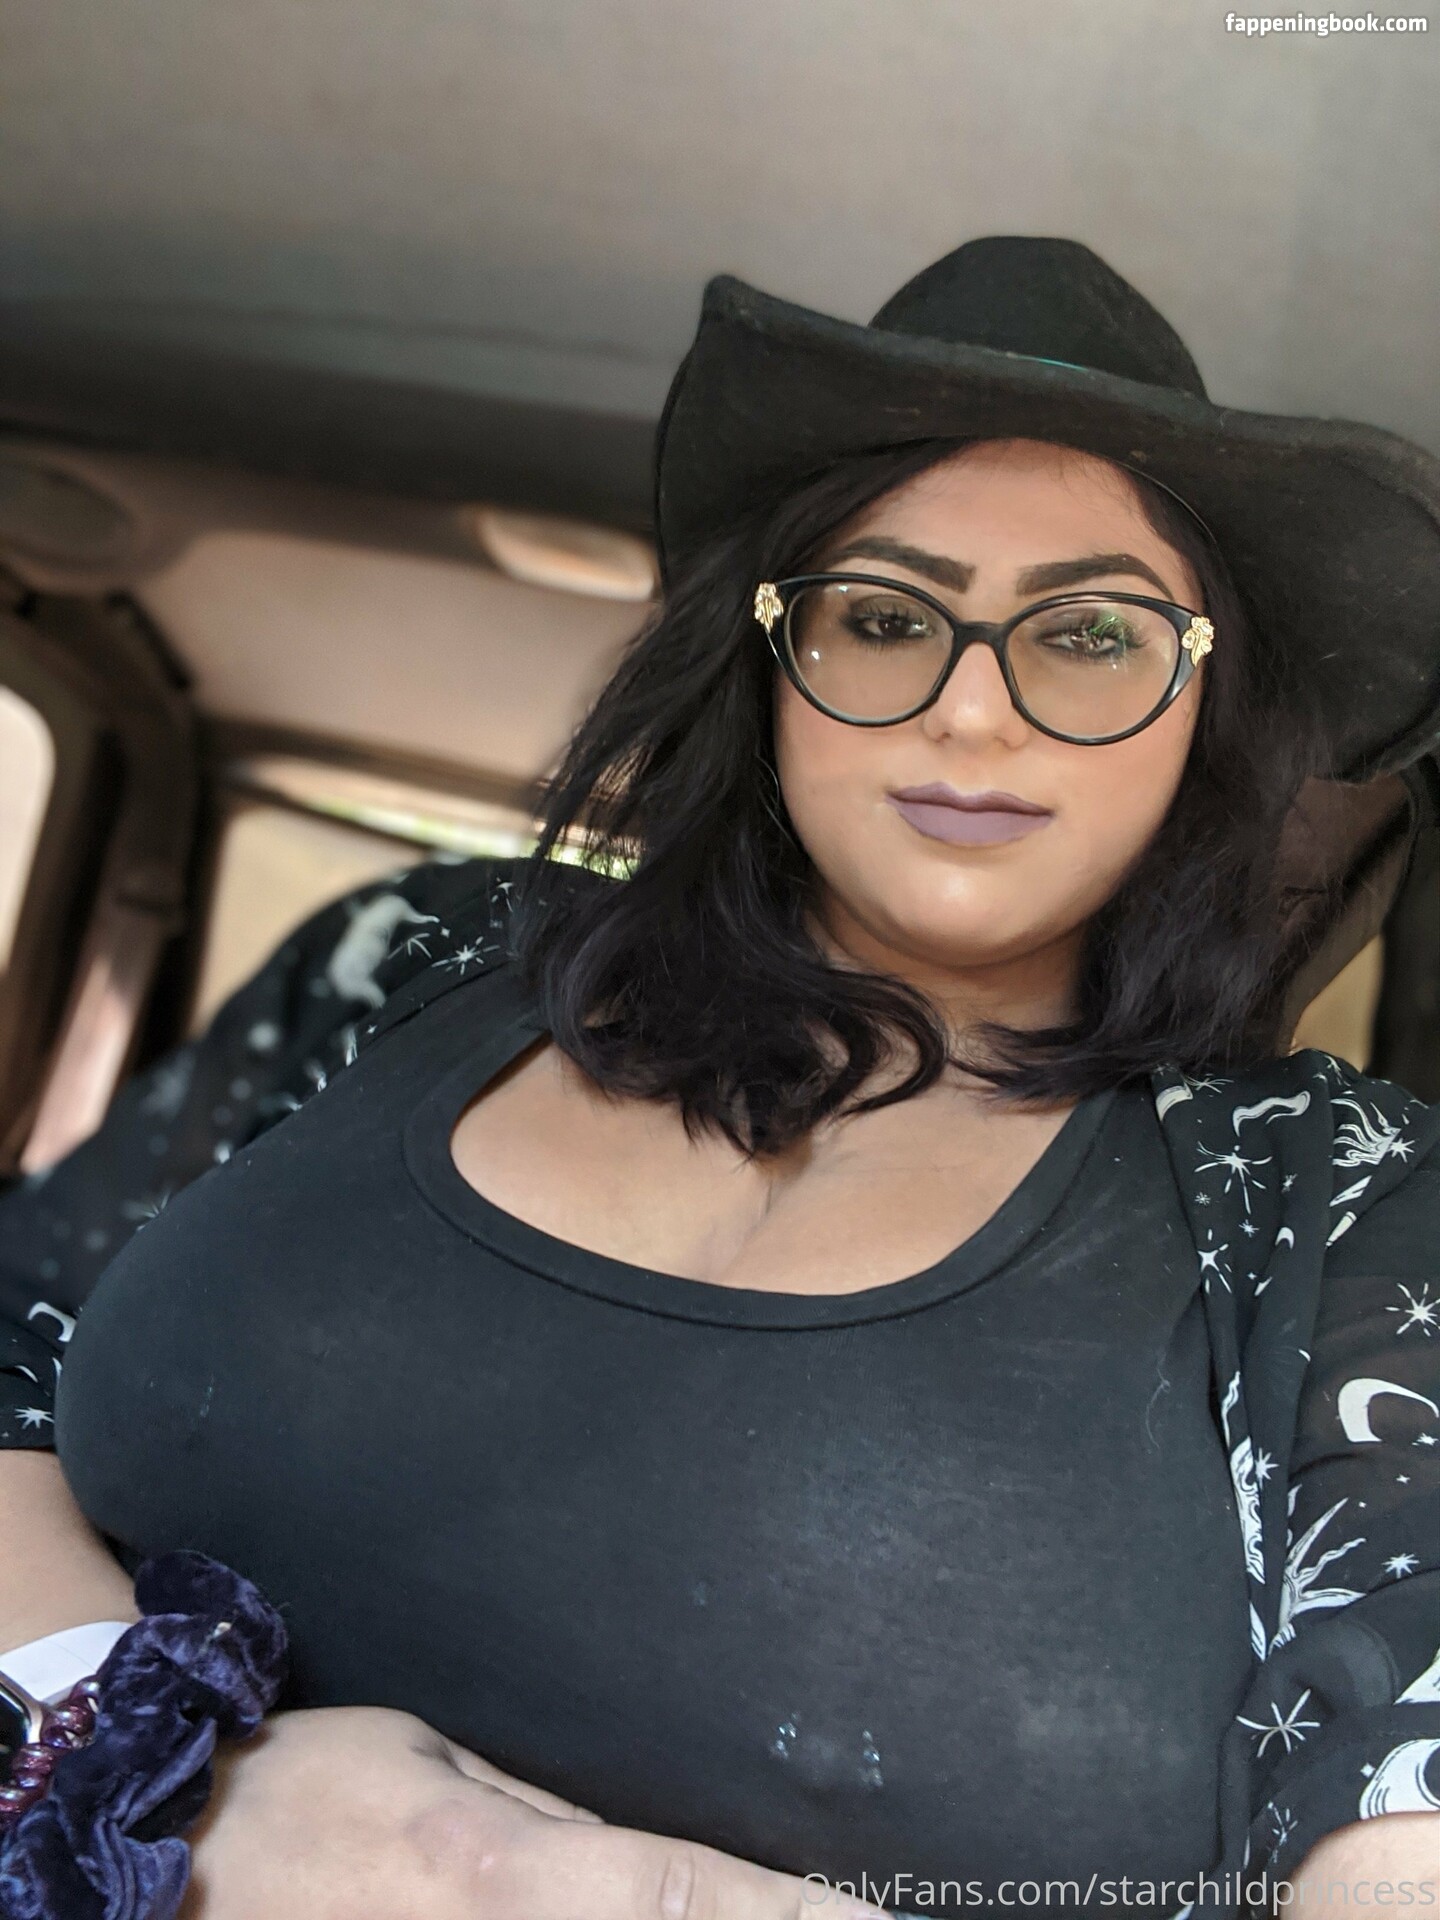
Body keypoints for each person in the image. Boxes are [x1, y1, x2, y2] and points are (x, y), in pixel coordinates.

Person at [1, 236, 1438, 1919]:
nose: (976, 716)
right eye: (884, 617)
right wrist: (136, 1771)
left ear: (1205, 706)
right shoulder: (417, 956)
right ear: (765, 660)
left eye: (1093, 635)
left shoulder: (1341, 1208)